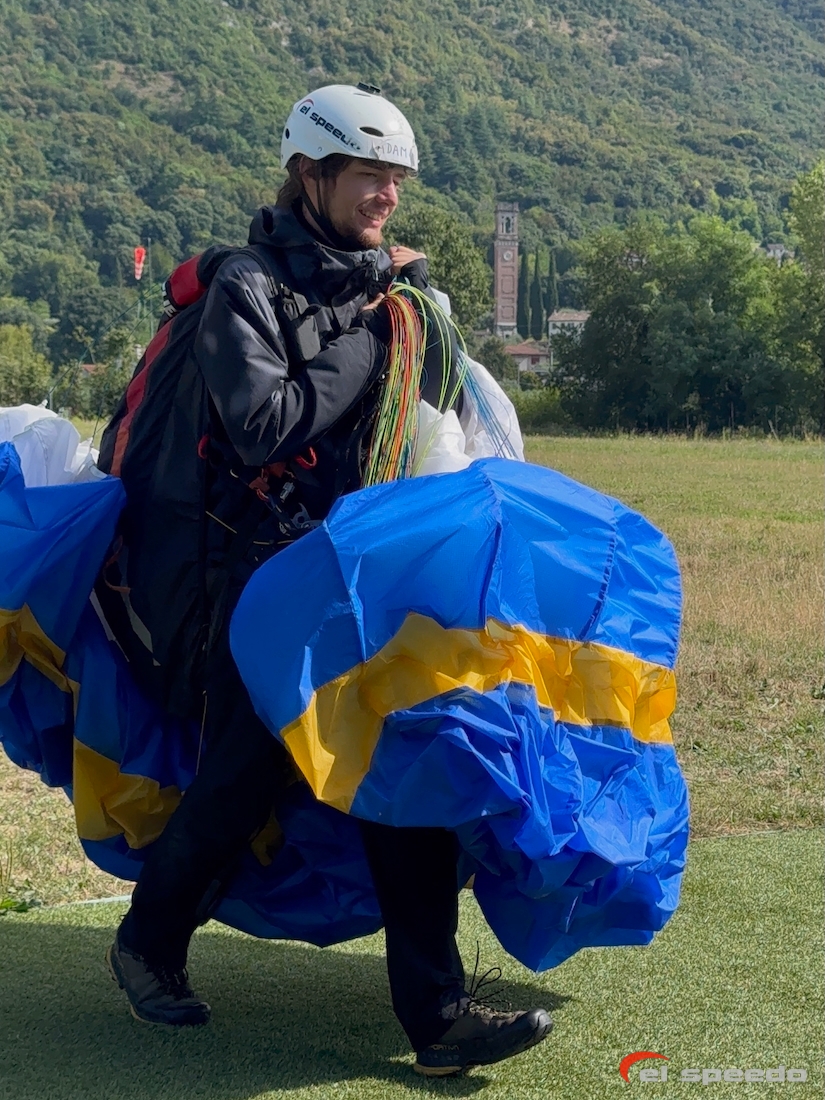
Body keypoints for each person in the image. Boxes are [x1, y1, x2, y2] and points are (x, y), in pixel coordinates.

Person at [105, 82, 552, 1076]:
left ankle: (436, 1015)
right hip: (258, 581)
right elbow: (263, 422)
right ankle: (147, 939)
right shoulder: (247, 287)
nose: (386, 195)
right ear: (311, 174)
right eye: (368, 175)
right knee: (241, 782)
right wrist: (374, 330)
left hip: (371, 580)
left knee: (409, 765)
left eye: (395, 178)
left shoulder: (399, 299)